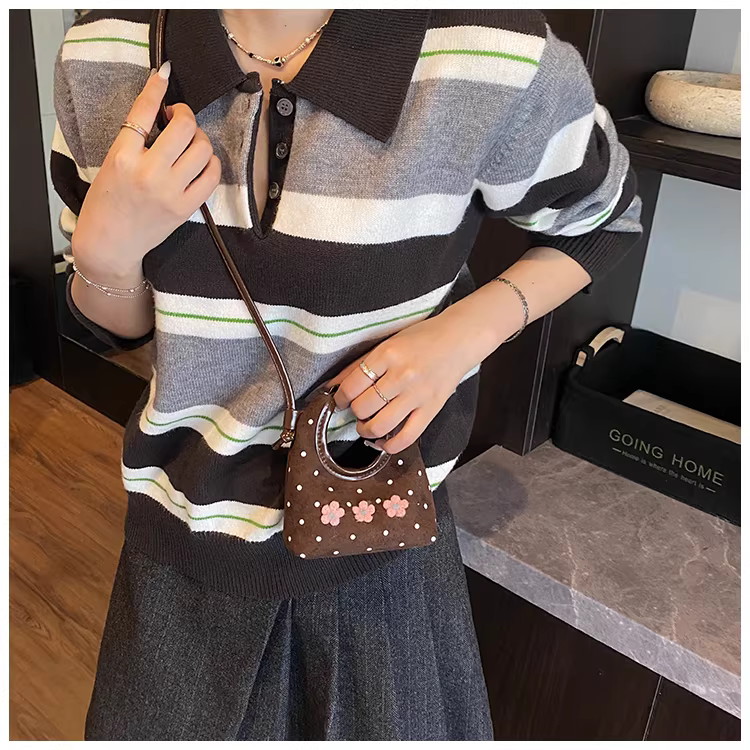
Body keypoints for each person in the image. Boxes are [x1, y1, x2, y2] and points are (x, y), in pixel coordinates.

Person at [51, 8, 642, 741]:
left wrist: (458, 338)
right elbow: (121, 323)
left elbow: (604, 218)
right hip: (179, 555)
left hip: (378, 562)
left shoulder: (490, 50)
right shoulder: (104, 48)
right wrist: (104, 256)